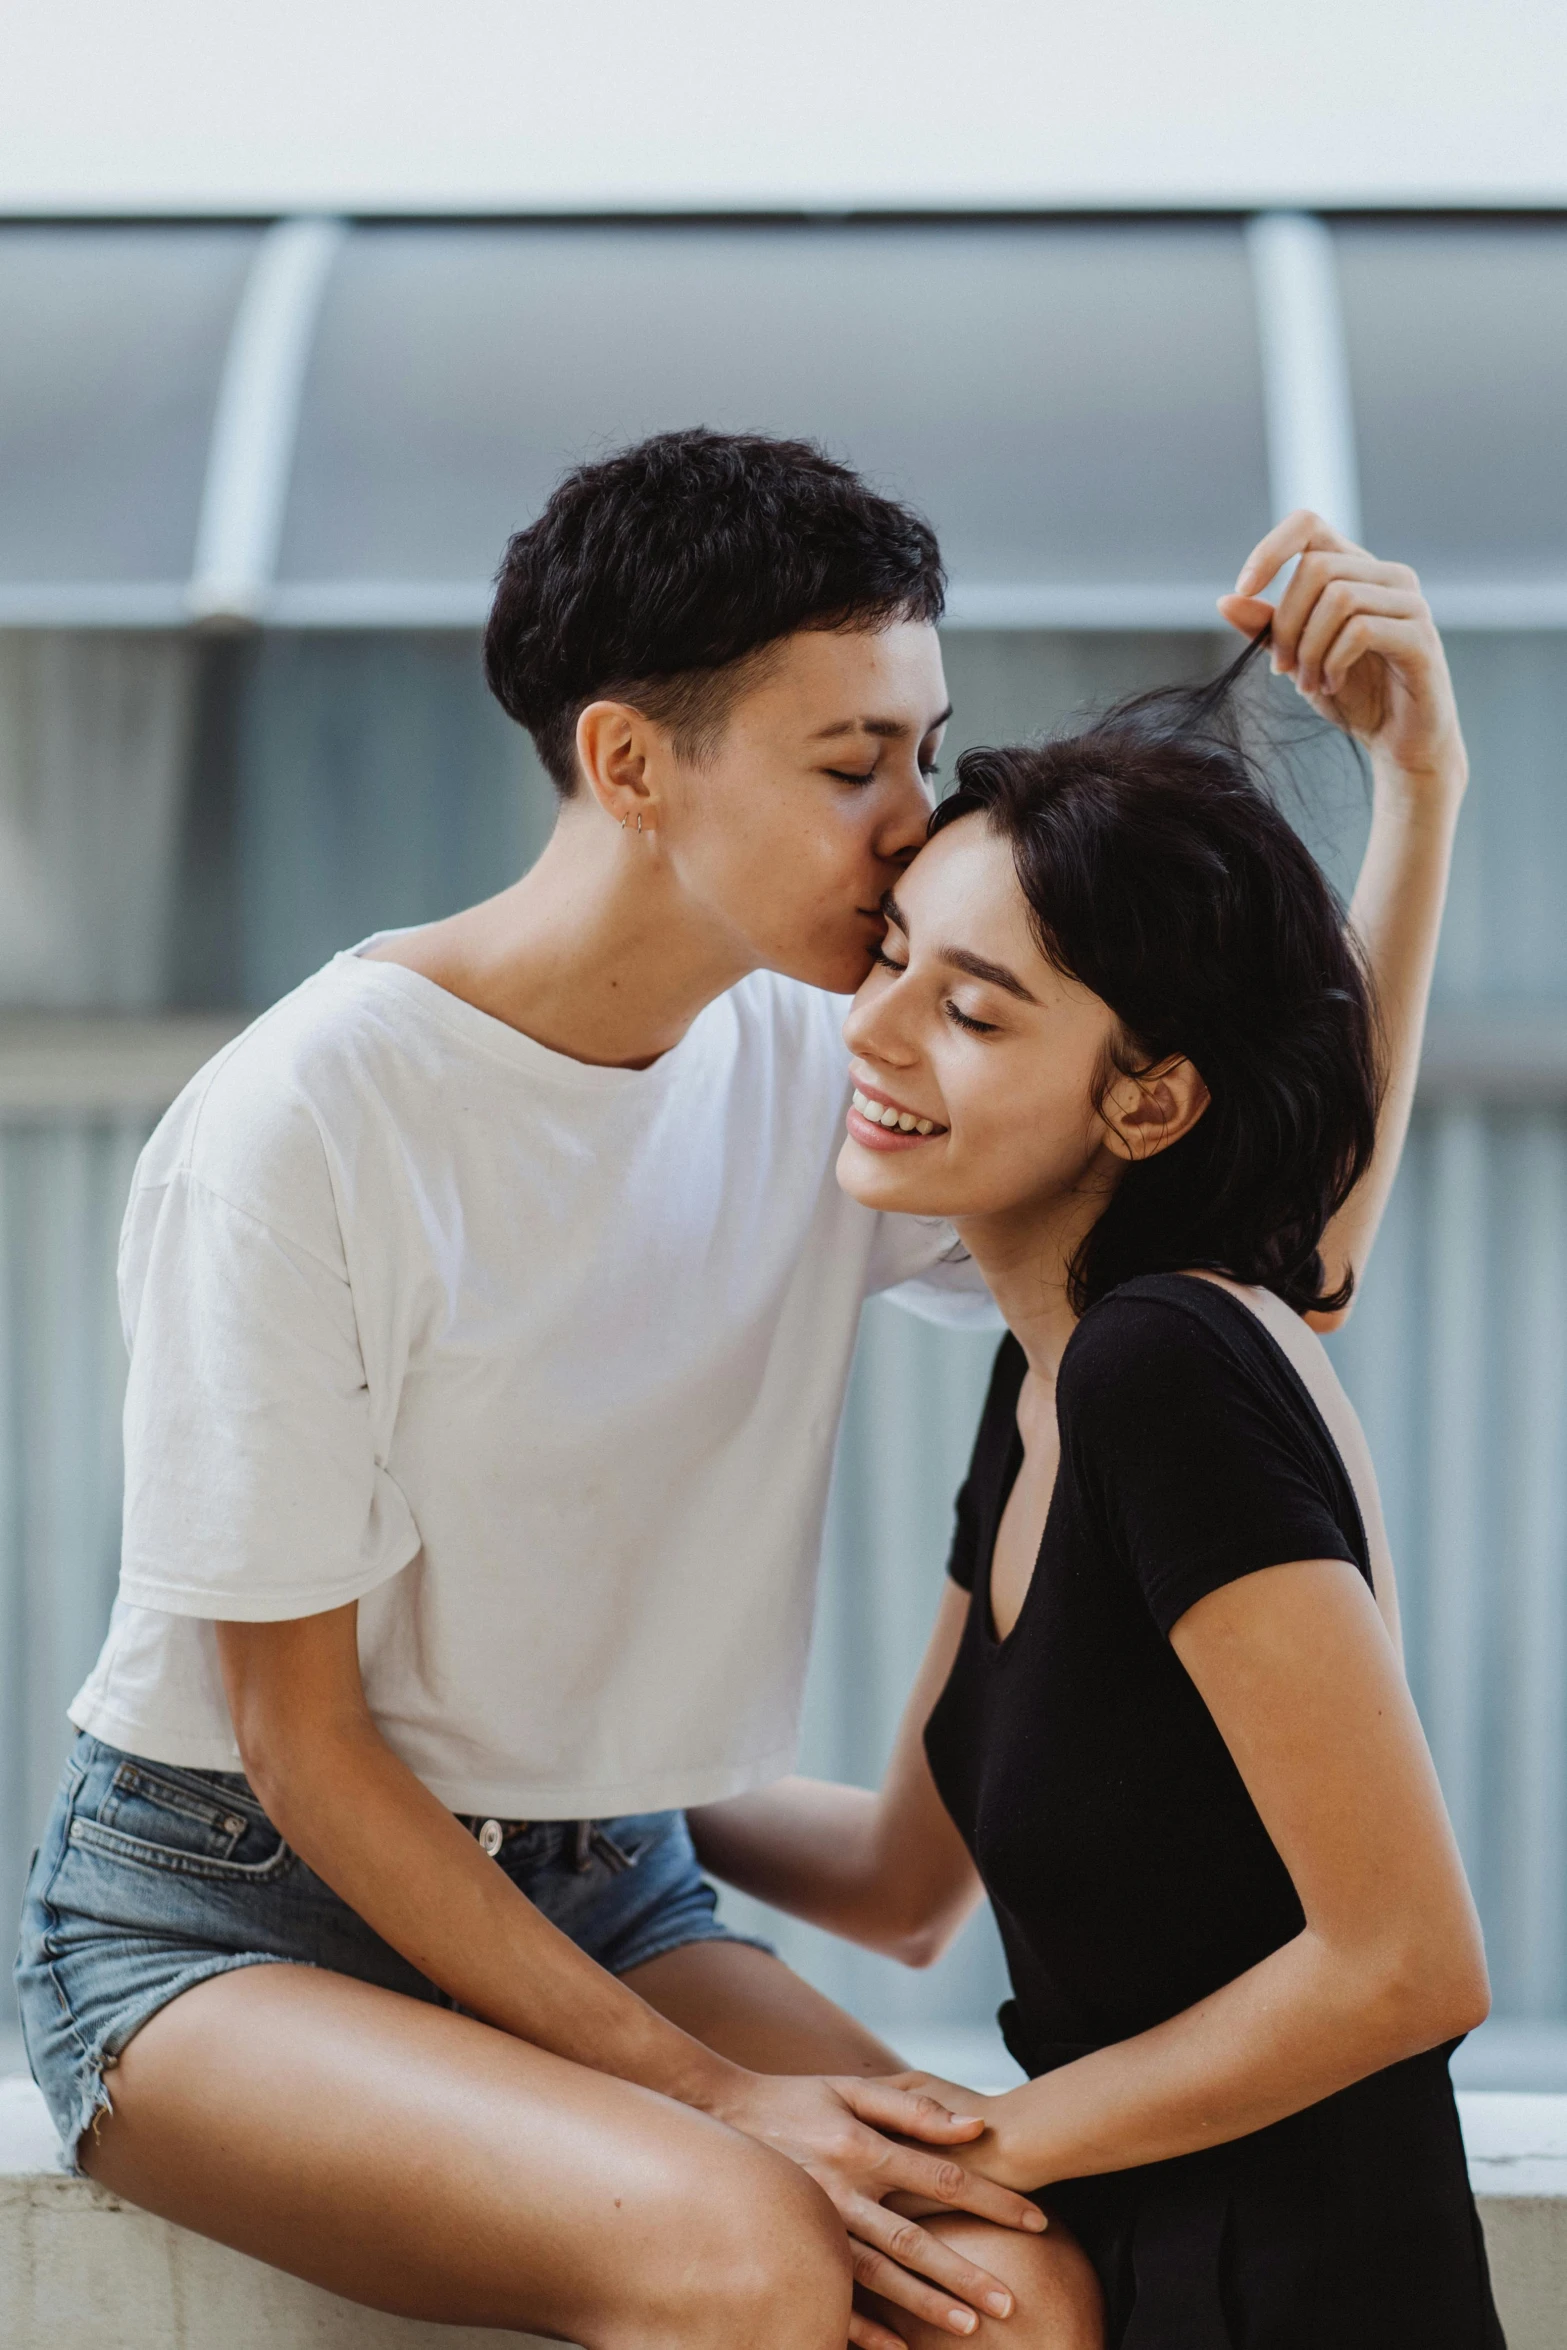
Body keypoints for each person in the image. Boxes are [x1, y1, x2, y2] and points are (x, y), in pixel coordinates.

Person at [15, 427, 1465, 2350]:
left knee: (1011, 2285)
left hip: (607, 1891)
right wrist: (712, 2098)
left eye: (922, 752)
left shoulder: (827, 1061)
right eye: (851, 764)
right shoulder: (305, 1121)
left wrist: (1415, 797)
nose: (910, 822)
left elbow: (1244, 1238)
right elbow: (302, 1742)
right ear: (629, 764)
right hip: (223, 1917)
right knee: (740, 2258)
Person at [689, 619, 1498, 2347]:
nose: (873, 1028)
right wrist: (540, 1797)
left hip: (1293, 2294)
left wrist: (960, 2146)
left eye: (967, 1007)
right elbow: (905, 1878)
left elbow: (1410, 1960)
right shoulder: (1041, 1376)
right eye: (890, 956)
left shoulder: (1166, 1374)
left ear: (1147, 1102)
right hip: (1116, 2267)